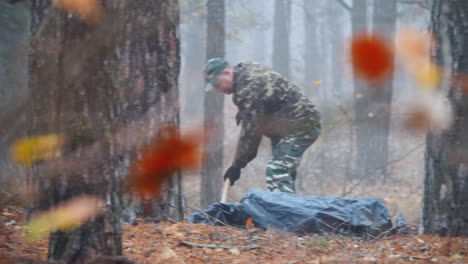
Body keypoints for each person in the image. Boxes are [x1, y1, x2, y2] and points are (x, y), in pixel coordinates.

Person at [204, 58, 321, 194]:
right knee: (283, 174)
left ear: (227, 73)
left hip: (301, 123)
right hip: (284, 126)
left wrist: (237, 166)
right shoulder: (245, 73)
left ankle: (285, 213)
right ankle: (290, 208)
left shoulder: (248, 87)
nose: (218, 90)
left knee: (277, 170)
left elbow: (252, 133)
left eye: (217, 84)